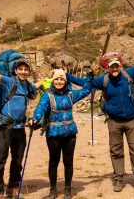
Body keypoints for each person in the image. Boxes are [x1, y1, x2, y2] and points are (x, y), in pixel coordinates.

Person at [67, 37, 134, 194]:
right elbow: (85, 83)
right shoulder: (102, 80)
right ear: (108, 67)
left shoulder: (129, 74)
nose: (114, 68)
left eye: (116, 65)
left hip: (132, 120)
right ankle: (118, 179)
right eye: (112, 66)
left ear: (120, 65)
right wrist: (66, 76)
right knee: (116, 151)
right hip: (114, 121)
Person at [28, 69, 92, 199]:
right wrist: (34, 118)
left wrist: (89, 76)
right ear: (53, 80)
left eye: (62, 79)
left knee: (68, 162)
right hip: (53, 134)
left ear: (65, 80)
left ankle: (67, 190)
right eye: (56, 79)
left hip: (70, 134)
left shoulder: (71, 94)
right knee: (54, 162)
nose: (59, 81)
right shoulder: (47, 96)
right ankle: (53, 190)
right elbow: (40, 108)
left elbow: (87, 88)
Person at [0, 44, 38, 199]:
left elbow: (37, 88)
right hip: (4, 127)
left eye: (25, 69)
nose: (23, 71)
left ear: (28, 71)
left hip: (20, 128)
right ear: (15, 70)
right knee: (1, 159)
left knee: (18, 159)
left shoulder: (27, 85)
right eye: (20, 69)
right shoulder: (8, 81)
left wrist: (52, 78)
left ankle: (13, 187)